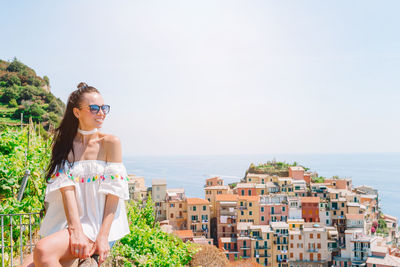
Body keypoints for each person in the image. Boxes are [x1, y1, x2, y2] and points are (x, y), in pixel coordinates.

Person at [22, 82, 130, 267]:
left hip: (96, 223)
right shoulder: (64, 145)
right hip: (69, 223)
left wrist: (103, 236)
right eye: (94, 108)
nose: (101, 113)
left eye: (104, 108)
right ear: (77, 112)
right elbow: (67, 191)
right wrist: (75, 230)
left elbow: (114, 193)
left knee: (42, 250)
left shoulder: (110, 143)